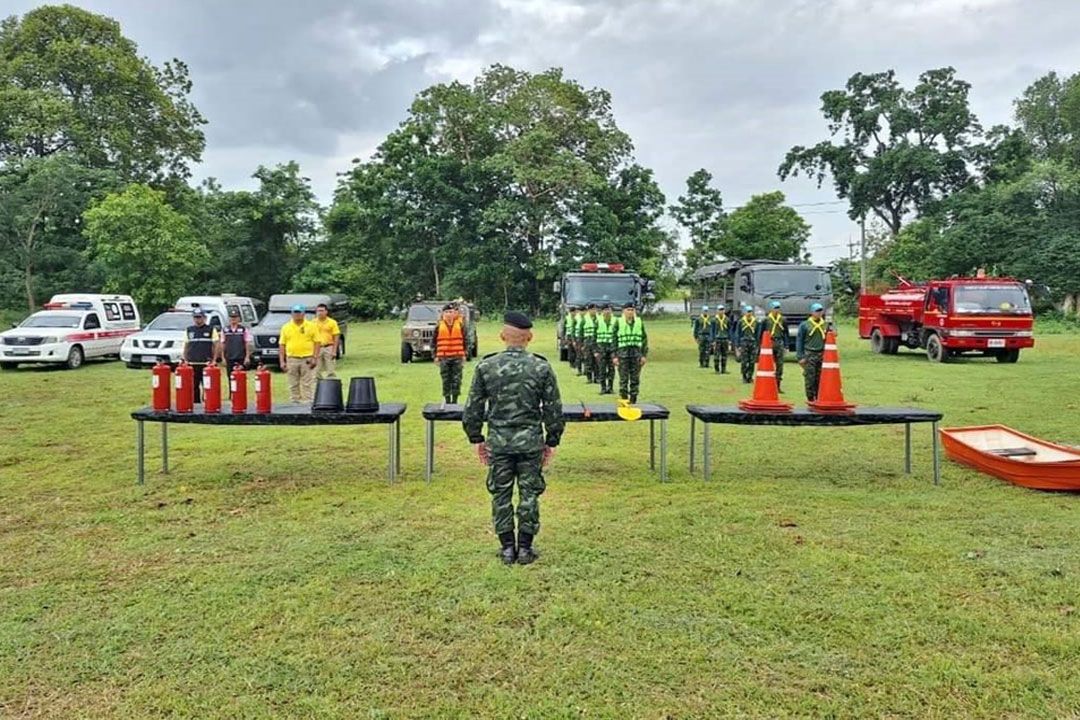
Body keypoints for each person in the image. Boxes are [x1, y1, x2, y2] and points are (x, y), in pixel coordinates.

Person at [462, 312, 564, 566]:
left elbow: (473, 408)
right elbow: (553, 409)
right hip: (530, 442)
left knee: (501, 493)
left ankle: (508, 548)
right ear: (529, 337)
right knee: (529, 493)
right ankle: (526, 549)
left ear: (502, 336)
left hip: (499, 441)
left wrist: (477, 438)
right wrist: (552, 440)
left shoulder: (487, 366)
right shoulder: (541, 367)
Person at [277, 304, 321, 403]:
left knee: (308, 382)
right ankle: (294, 402)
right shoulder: (286, 327)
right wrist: (282, 361)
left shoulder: (311, 326)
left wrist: (315, 358)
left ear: (303, 313)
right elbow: (282, 344)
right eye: (295, 312)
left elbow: (317, 342)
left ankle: (308, 403)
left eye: (299, 312)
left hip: (307, 358)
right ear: (291, 314)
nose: (297, 315)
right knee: (293, 382)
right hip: (292, 358)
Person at [613, 302, 648, 403]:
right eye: (628, 310)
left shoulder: (639, 322)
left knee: (635, 379)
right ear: (623, 311)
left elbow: (644, 340)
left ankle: (633, 399)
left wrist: (644, 355)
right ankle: (624, 399)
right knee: (623, 379)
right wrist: (614, 356)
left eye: (632, 310)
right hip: (622, 355)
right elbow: (614, 340)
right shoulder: (618, 322)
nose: (630, 312)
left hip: (636, 355)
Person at [182, 308, 219, 403]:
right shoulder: (189, 330)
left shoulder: (211, 329)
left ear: (204, 318)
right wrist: (185, 359)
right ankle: (196, 404)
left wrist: (214, 360)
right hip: (192, 363)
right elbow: (186, 345)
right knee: (194, 386)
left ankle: (208, 404)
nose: (197, 319)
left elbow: (216, 345)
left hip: (206, 364)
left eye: (199, 317)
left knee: (207, 385)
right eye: (195, 317)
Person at [434, 303, 467, 404]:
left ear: (454, 313)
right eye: (447, 312)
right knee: (446, 380)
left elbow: (465, 340)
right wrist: (435, 356)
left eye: (451, 312)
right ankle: (447, 400)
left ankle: (455, 400)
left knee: (457, 380)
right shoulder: (439, 325)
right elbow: (434, 342)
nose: (449, 314)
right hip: (444, 357)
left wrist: (465, 354)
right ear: (443, 313)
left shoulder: (461, 324)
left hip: (457, 356)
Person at [796, 302, 829, 401]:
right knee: (810, 378)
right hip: (809, 353)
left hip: (821, 353)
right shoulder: (805, 325)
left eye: (820, 311)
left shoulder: (825, 324)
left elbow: (830, 337)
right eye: (817, 311)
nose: (819, 313)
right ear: (812, 312)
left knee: (820, 378)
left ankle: (819, 397)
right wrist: (800, 356)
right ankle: (810, 398)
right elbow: (799, 341)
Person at [216, 309, 251, 397]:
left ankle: (241, 393)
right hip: (229, 356)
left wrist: (247, 356)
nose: (233, 319)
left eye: (235, 317)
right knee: (230, 376)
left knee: (241, 376)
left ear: (239, 319)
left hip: (240, 356)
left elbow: (247, 343)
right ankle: (232, 394)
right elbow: (222, 344)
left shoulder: (243, 329)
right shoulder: (225, 330)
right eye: (232, 317)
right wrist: (223, 357)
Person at [758, 300, 787, 392]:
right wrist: (760, 345)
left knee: (780, 365)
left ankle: (777, 386)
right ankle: (767, 385)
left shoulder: (782, 319)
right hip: (769, 343)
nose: (777, 310)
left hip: (779, 342)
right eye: (775, 308)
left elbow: (786, 333)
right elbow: (761, 333)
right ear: (771, 309)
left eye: (778, 308)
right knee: (768, 364)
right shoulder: (766, 320)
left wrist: (786, 345)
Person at [312, 303, 341, 379]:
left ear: (326, 312)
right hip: (317, 348)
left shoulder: (332, 322)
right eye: (318, 311)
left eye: (321, 311)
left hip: (329, 347)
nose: (319, 313)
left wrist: (334, 350)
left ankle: (331, 386)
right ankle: (318, 387)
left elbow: (336, 336)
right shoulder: (312, 323)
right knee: (316, 370)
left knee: (330, 369)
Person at [593, 303, 617, 394]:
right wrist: (595, 351)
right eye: (605, 310)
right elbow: (594, 337)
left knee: (611, 369)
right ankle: (603, 388)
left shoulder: (615, 321)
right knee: (602, 369)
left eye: (609, 310)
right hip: (601, 348)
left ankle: (610, 387)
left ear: (611, 311)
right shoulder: (598, 321)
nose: (607, 312)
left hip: (612, 348)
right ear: (602, 311)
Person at [733, 304, 759, 384]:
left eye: (751, 312)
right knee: (744, 361)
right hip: (744, 342)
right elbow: (738, 333)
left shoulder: (756, 322)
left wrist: (757, 344)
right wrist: (738, 345)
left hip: (753, 343)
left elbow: (757, 333)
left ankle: (750, 376)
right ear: (745, 313)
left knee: (752, 361)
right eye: (748, 312)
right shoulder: (741, 322)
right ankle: (744, 376)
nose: (749, 313)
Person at [710, 303, 731, 374]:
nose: (721, 311)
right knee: (716, 356)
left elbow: (729, 329)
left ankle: (723, 369)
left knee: (724, 355)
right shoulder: (714, 320)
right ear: (717, 311)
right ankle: (717, 370)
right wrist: (712, 340)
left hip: (725, 339)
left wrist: (729, 339)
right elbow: (712, 330)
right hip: (717, 339)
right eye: (720, 310)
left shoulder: (727, 319)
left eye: (722, 309)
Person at [581, 303, 599, 383]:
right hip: (587, 342)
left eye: (595, 309)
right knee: (588, 360)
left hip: (596, 342)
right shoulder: (585, 319)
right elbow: (581, 333)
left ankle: (596, 378)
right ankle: (589, 378)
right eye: (592, 309)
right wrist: (581, 344)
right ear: (589, 310)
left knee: (597, 361)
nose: (594, 311)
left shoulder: (599, 319)